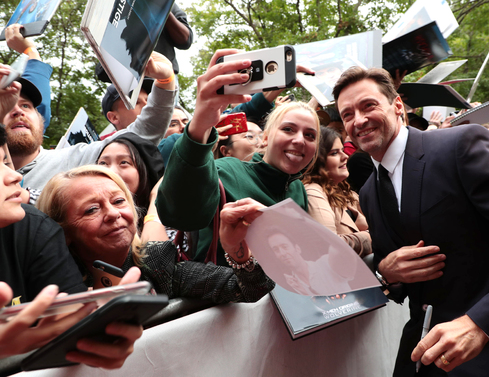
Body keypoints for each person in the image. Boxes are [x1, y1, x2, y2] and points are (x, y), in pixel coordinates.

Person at [333, 66, 489, 376]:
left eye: (368, 105)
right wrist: (386, 272)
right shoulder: (370, 191)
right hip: (426, 353)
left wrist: (481, 323)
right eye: (347, 115)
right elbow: (404, 273)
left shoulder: (459, 145)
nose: (358, 120)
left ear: (397, 105)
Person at [156, 49, 320, 265]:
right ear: (266, 138)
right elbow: (179, 215)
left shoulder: (298, 188)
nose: (299, 140)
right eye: (288, 129)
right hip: (230, 297)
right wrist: (200, 125)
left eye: (310, 135)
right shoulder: (227, 171)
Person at [0, 119, 142, 367]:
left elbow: (73, 332)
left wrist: (98, 339)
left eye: (4, 161)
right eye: (91, 209)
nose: (14, 176)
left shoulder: (34, 229)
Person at [37, 165, 275, 302]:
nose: (112, 214)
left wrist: (237, 251)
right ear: (63, 231)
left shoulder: (158, 264)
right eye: (91, 209)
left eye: (119, 201)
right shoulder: (44, 283)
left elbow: (255, 293)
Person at [3, 52, 176, 191]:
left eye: (26, 105)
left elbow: (144, 131)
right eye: (5, 106)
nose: (17, 111)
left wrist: (166, 79)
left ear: (40, 118)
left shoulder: (75, 159)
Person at [302, 126, 371, 257]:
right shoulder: (313, 191)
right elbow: (328, 245)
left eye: (343, 150)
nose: (345, 156)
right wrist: (370, 237)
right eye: (334, 153)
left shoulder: (346, 192)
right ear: (316, 160)